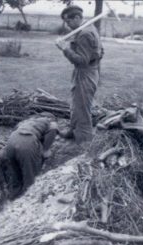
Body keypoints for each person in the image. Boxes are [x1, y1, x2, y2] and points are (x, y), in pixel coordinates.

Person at [56, 5, 103, 145]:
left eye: (68, 21)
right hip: (86, 71)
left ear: (77, 18)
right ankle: (73, 130)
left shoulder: (85, 33)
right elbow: (100, 52)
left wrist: (65, 49)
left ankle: (83, 141)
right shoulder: (89, 28)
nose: (67, 24)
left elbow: (82, 61)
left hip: (86, 73)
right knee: (76, 104)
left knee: (82, 106)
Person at [2, 115, 58, 199]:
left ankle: (13, 200)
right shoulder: (51, 123)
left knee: (15, 174)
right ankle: (28, 201)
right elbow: (53, 129)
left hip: (11, 141)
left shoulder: (28, 121)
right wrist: (45, 150)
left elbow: (15, 129)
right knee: (30, 178)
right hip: (27, 142)